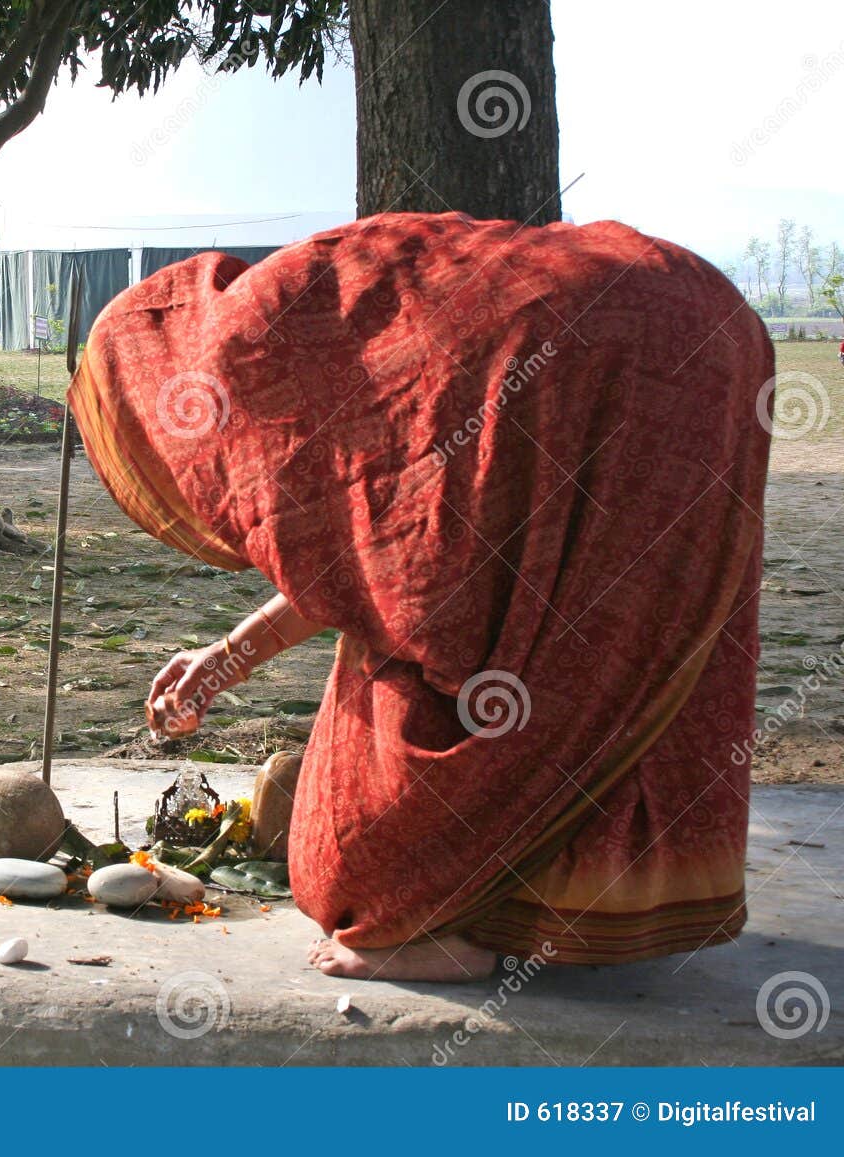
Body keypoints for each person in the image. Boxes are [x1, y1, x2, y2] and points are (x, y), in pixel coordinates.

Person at [68, 213, 772, 982]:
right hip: (704, 318)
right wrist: (227, 657)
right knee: (622, 618)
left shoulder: (278, 367)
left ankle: (450, 924)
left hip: (599, 332)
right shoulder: (326, 308)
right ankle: (572, 904)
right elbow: (359, 559)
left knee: (346, 869)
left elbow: (381, 560)